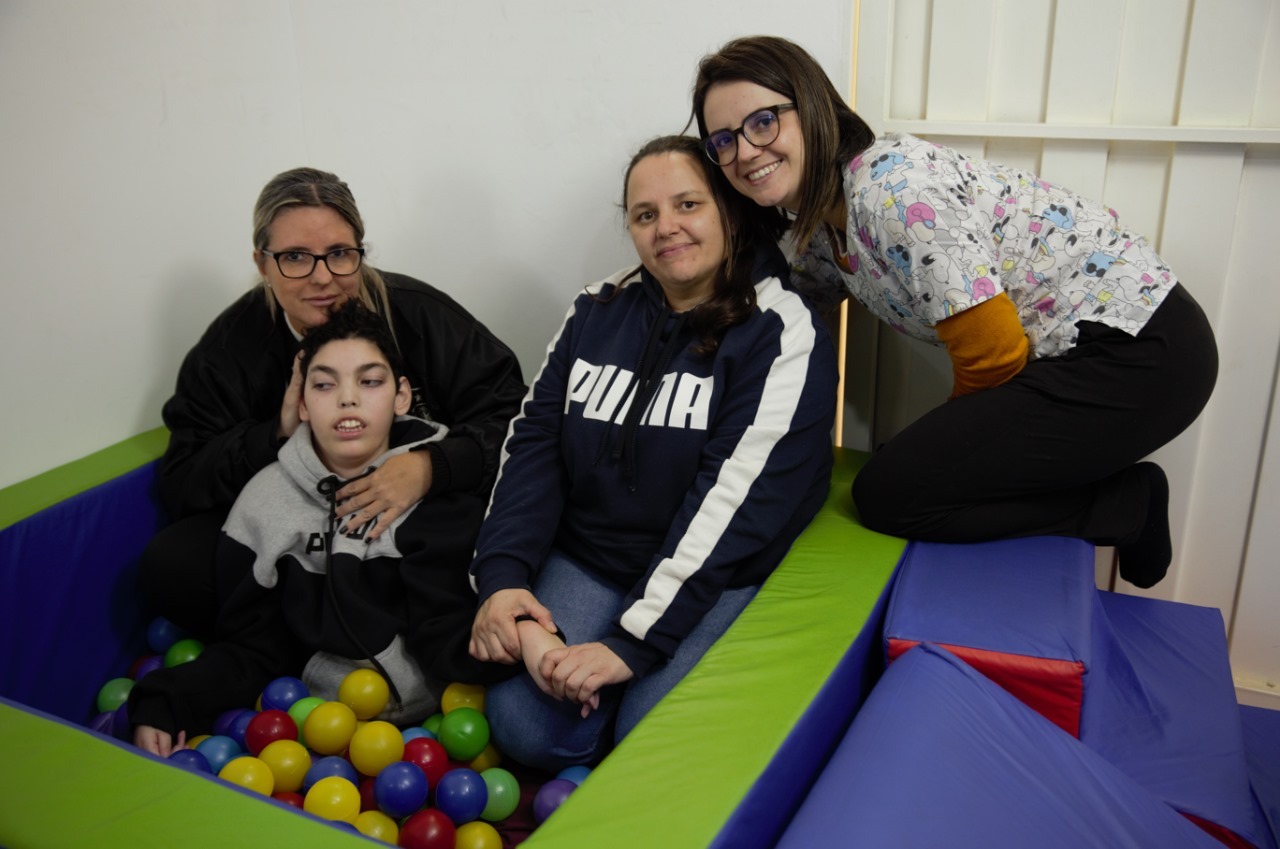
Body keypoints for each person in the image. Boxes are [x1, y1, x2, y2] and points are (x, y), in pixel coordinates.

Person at [692, 36, 1218, 589]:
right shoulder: (823, 226)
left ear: (814, 107)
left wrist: (939, 458)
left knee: (892, 494)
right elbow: (785, 326)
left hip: (1142, 351)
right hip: (1087, 355)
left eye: (763, 122)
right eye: (722, 141)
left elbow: (993, 354)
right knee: (907, 473)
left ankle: (1124, 506)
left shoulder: (888, 188)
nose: (744, 152)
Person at [467, 135, 838, 771]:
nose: (667, 228)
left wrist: (632, 645)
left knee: (652, 736)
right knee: (525, 728)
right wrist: (502, 587)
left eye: (688, 204)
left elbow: (730, 505)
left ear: (728, 210)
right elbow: (533, 446)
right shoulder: (595, 309)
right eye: (645, 214)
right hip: (596, 561)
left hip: (710, 574)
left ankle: (624, 708)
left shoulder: (781, 328)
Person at [140, 167, 526, 637]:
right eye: (296, 257)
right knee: (172, 565)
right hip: (302, 541)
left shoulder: (420, 314)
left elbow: (517, 419)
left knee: (509, 538)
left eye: (340, 254)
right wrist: (275, 437)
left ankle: (381, 639)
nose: (322, 278)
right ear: (262, 264)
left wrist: (430, 467)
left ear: (360, 254)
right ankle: (300, 646)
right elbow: (183, 479)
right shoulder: (229, 349)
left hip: (419, 528)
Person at [130, 300, 512, 756]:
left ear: (402, 395)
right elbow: (254, 649)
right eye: (325, 385)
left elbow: (450, 625)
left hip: (447, 721)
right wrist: (165, 700)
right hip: (316, 729)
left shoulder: (440, 488)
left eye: (369, 381)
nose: (348, 398)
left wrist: (524, 646)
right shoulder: (263, 506)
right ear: (302, 404)